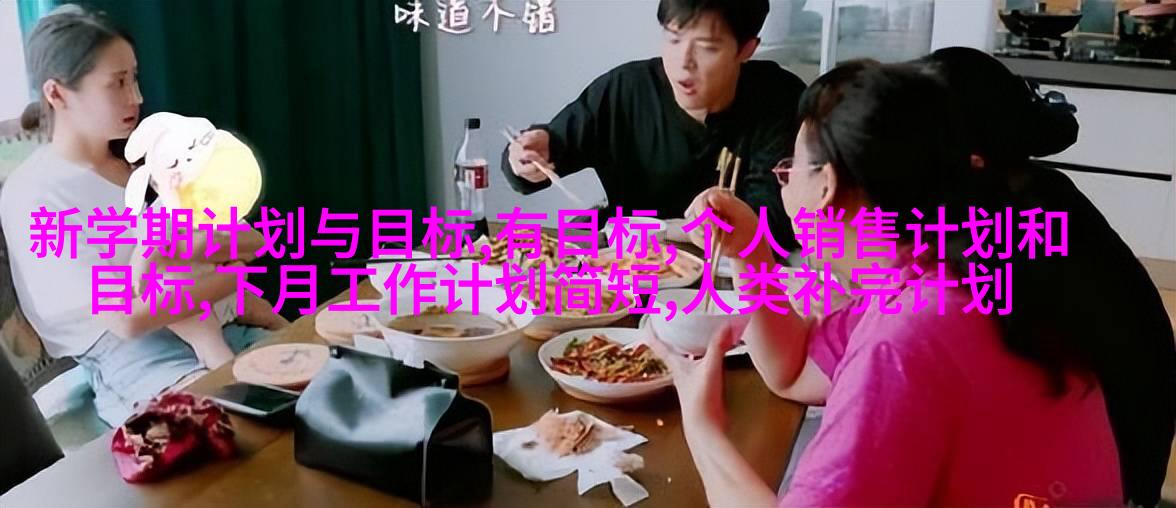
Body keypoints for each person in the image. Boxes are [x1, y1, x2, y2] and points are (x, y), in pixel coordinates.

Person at [656, 61, 1123, 506]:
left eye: (790, 166)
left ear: (825, 185)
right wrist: (751, 251)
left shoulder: (906, 336)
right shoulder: (947, 271)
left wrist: (702, 428)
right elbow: (792, 371)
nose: (784, 181)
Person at [0, 5, 285, 427]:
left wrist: (183, 256)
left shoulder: (149, 161)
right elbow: (127, 319)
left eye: (133, 78)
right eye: (117, 83)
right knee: (228, 429)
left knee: (310, 388)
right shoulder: (35, 193)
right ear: (57, 94)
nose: (136, 97)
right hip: (134, 355)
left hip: (224, 315)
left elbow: (252, 241)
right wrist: (224, 276)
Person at [916, 46, 1176, 507]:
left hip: (1097, 470)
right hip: (1117, 446)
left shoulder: (1001, 225)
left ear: (970, 156)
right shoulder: (1033, 191)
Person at [501, 0, 805, 250]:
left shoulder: (779, 99)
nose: (683, 61)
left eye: (706, 47)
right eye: (673, 38)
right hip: (622, 267)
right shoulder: (626, 89)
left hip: (732, 278)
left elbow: (778, 224)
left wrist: (676, 230)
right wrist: (525, 158)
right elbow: (537, 162)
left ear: (746, 49)